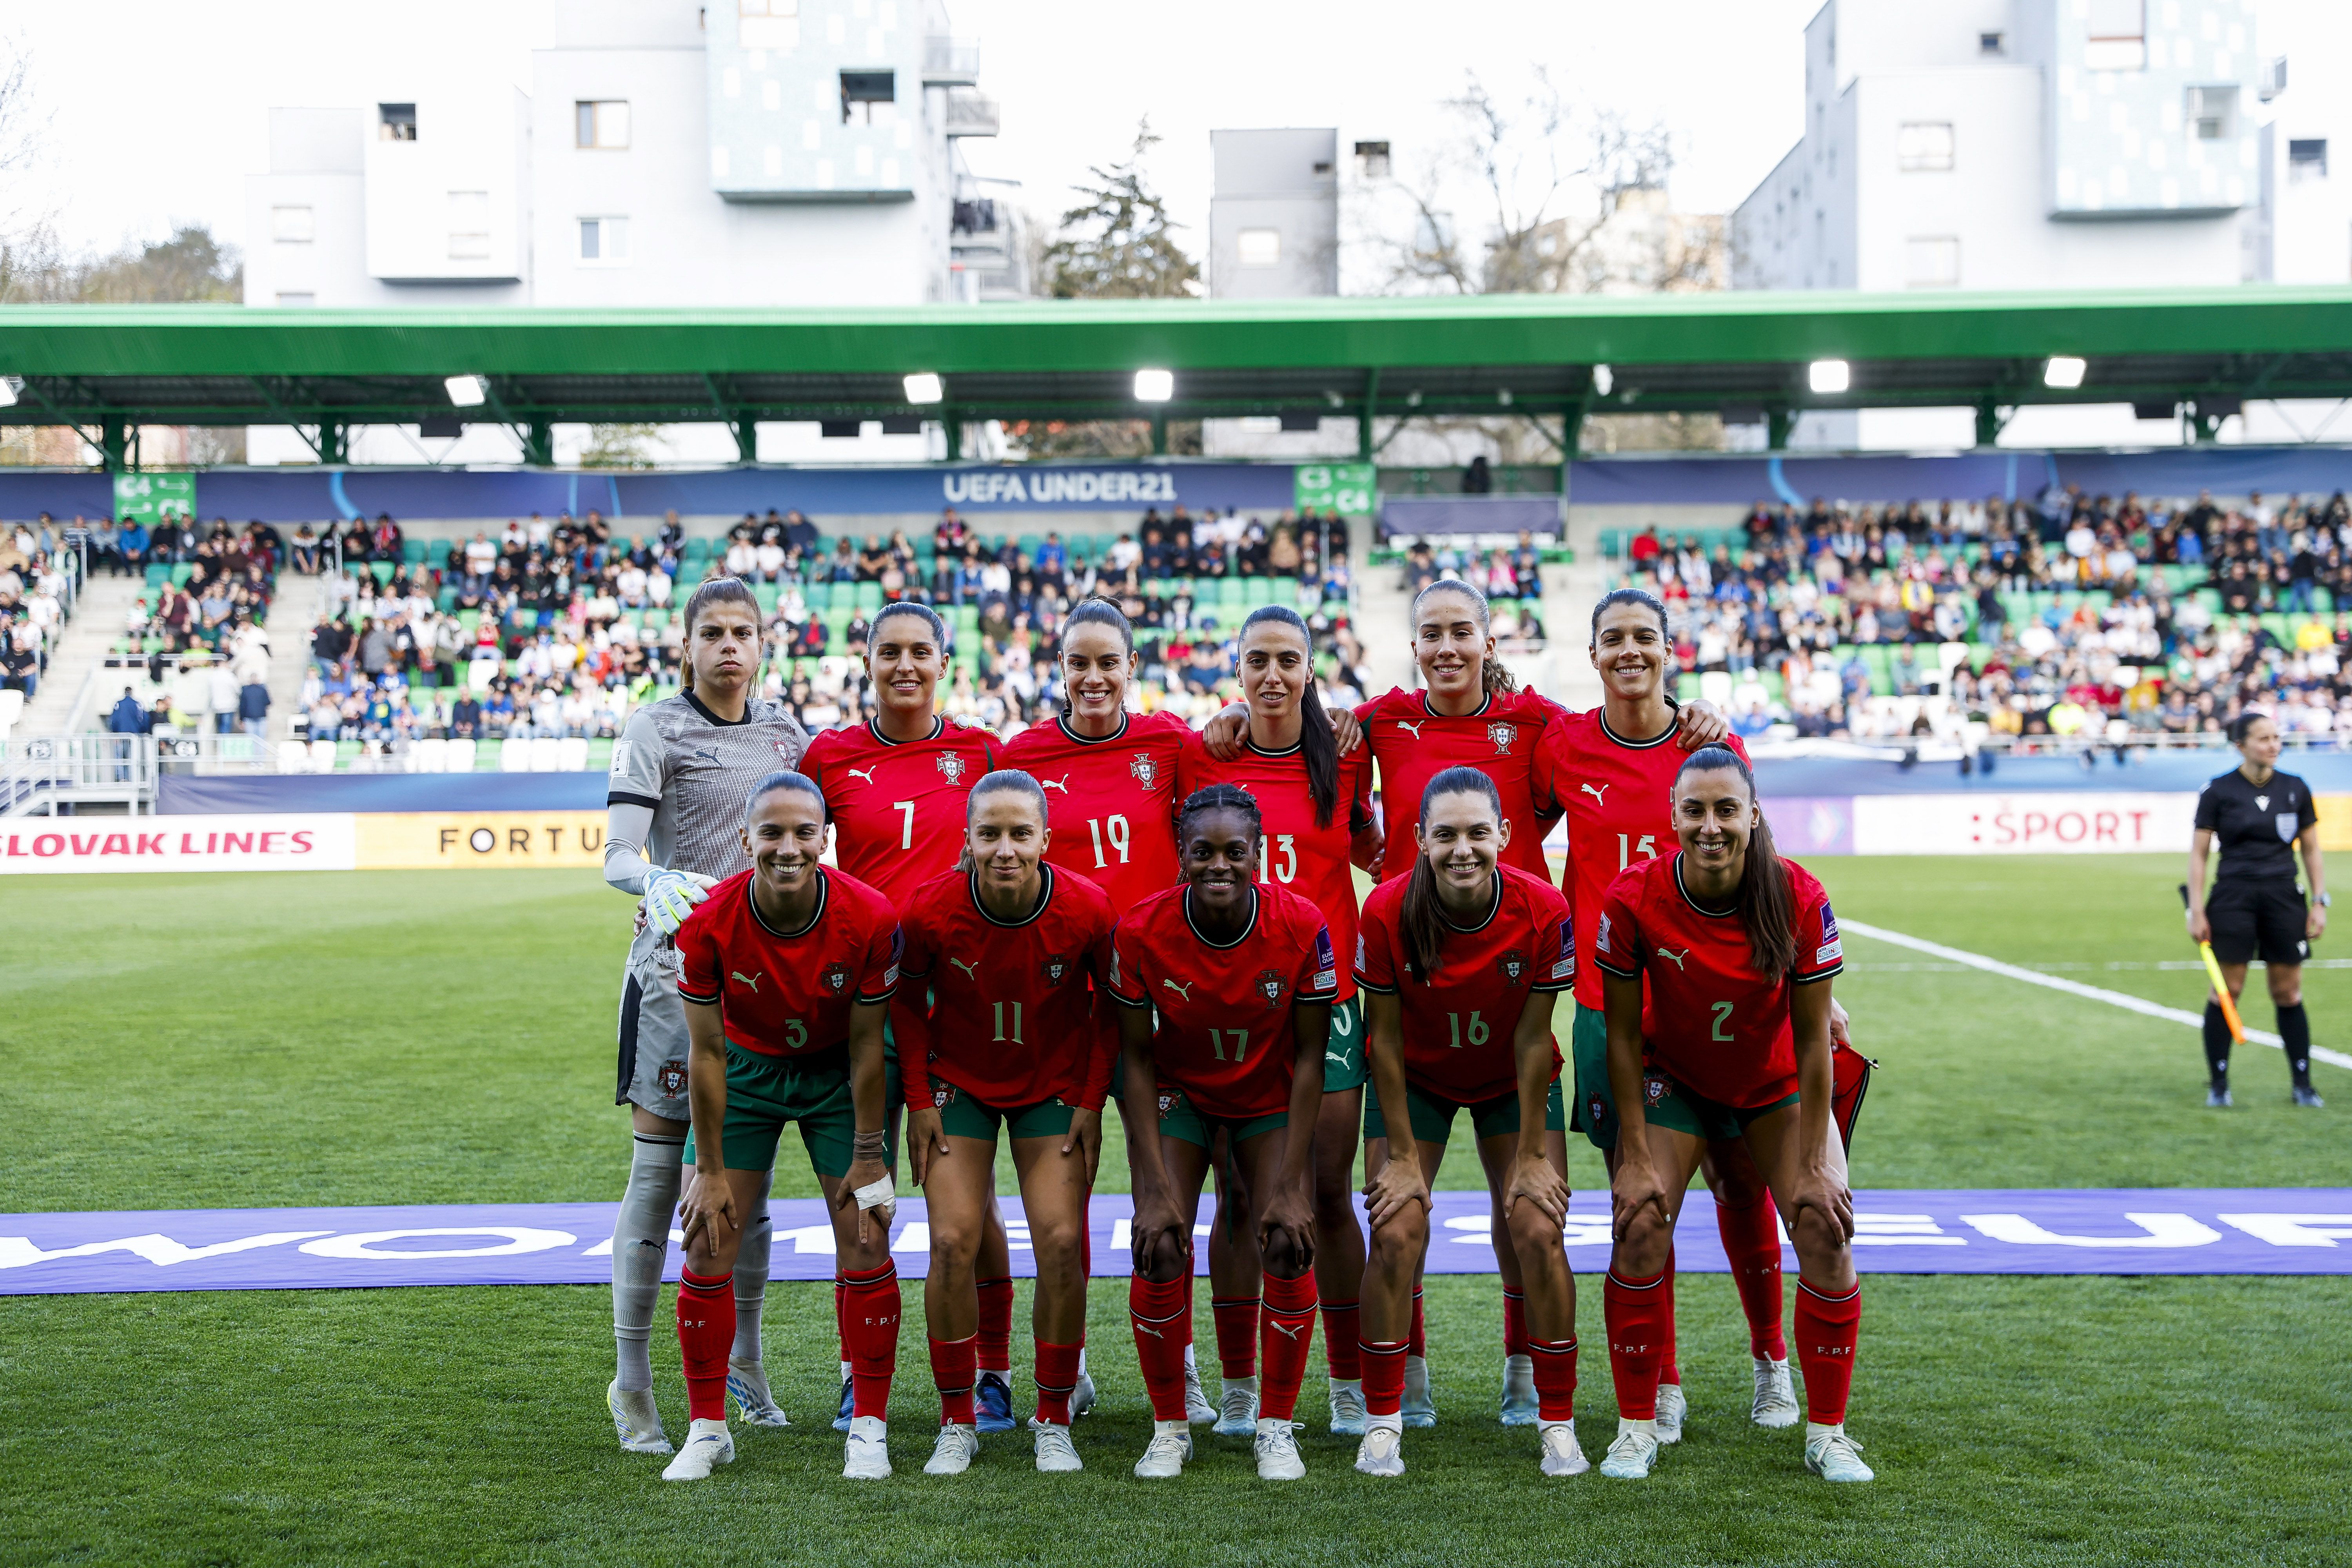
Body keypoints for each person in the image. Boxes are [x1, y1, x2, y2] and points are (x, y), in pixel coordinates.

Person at [1336, 577, 1723, 1423]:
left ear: (1488, 640)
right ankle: (1413, 1376)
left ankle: (1525, 1373)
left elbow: (1619, 735)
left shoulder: (1540, 723)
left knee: (1531, 1208)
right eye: (1430, 632)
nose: (1446, 647)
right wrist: (1377, 856)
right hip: (1416, 969)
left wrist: (1691, 709)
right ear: (1412, 643)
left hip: (1517, 968)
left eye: (1462, 632)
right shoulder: (1379, 721)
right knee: (1398, 1213)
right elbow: (1333, 789)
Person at [1532, 587, 1811, 1439]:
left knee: (1743, 1188)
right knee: (1642, 1196)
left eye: (1644, 637)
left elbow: (1766, 874)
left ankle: (1772, 1363)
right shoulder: (1562, 743)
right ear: (1592, 654)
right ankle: (1665, 1380)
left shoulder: (1711, 743)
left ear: (1668, 648)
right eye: (1612, 637)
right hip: (1608, 1006)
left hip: (1719, 1002)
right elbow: (1515, 824)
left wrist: (1808, 994)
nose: (1629, 651)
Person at [1593, 744, 1867, 1484]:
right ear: (1672, 816)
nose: (1710, 827)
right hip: (1675, 1082)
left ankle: (1828, 1432)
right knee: (1641, 1219)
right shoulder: (1633, 897)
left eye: (1725, 810)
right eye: (1694, 811)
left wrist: (1814, 1162)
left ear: (1753, 814)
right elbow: (1620, 1036)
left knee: (1824, 1224)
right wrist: (1636, 1156)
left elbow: (1814, 1040)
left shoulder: (1800, 897)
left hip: (1772, 1084)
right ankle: (1636, 1426)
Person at [800, 601, 1024, 1432]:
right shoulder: (830, 756)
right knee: (864, 1197)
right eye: (888, 651)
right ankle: (863, 1375)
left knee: (973, 1206)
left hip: (959, 1010)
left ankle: (992, 1373)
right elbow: (781, 846)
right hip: (861, 1011)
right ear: (865, 661)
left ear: (944, 661)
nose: (904, 665)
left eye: (919, 651)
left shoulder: (981, 751)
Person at [599, 577, 810, 1457]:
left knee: (749, 1185)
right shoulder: (654, 727)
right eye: (713, 632)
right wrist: (657, 879)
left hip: (765, 979)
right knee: (660, 1178)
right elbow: (615, 854)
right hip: (675, 975)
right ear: (687, 644)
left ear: (764, 644)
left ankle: (748, 1367)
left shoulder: (786, 734)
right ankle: (633, 1379)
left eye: (745, 632)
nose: (730, 645)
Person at [664, 771, 904, 1481]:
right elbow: (705, 1052)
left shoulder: (870, 917)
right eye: (772, 832)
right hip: (744, 1072)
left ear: (826, 839)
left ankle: (869, 1425)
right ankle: (708, 1427)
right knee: (708, 1236)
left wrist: (869, 1157)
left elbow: (868, 1047)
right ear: (746, 839)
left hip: (836, 1075)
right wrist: (708, 1171)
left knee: (867, 1231)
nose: (789, 847)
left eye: (805, 832)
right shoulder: (706, 921)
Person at [1180, 605, 1378, 1440]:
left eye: (1288, 659)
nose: (1272, 675)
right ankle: (1236, 1384)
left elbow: (1370, 843)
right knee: (1235, 1197)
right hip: (1232, 1006)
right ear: (1236, 669)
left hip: (1326, 1007)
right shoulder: (1205, 754)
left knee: (1326, 1193)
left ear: (1309, 668)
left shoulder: (1347, 751)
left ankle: (1347, 1380)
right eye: (1256, 659)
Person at [1354, 768, 1585, 1478]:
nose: (1463, 849)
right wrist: (1400, 1157)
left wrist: (1530, 1157)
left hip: (1508, 1079)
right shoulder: (1386, 910)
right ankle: (1385, 1418)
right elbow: (1383, 1042)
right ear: (1419, 839)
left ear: (1504, 836)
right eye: (1446, 834)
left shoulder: (1544, 910)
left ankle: (1556, 1418)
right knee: (1395, 1228)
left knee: (1537, 1224)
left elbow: (1533, 1038)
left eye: (1478, 833)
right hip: (1415, 1079)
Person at [1110, 784, 1339, 1481]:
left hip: (1266, 1097)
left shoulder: (1302, 925)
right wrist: (1151, 1187)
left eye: (1234, 853)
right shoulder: (1141, 930)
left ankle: (1274, 1426)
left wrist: (1294, 1184)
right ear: (1180, 855)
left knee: (1288, 1242)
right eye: (1202, 852)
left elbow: (1308, 1058)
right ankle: (1171, 1426)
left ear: (1258, 855)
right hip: (1181, 1097)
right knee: (1158, 1245)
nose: (1219, 866)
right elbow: (1136, 1060)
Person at [895, 770, 1119, 1475]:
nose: (1005, 848)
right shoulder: (929, 910)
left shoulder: (1088, 908)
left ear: (1047, 840)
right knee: (953, 1241)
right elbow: (903, 1006)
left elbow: (1112, 1010)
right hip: (958, 1085)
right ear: (966, 839)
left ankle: (1052, 1415)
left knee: (1059, 1240)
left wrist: (1089, 1100)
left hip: (1051, 1088)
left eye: (1021, 833)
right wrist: (920, 1101)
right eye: (988, 833)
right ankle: (957, 1418)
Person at [2187, 712, 2328, 1107]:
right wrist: (2196, 909)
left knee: (2287, 991)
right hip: (2233, 897)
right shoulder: (2218, 791)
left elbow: (2312, 849)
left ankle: (2303, 1084)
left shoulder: (2296, 788)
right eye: (2263, 738)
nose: (2273, 745)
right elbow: (2199, 854)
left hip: (2284, 897)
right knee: (2227, 989)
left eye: (2276, 737)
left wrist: (2319, 901)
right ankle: (2219, 1083)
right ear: (2241, 745)